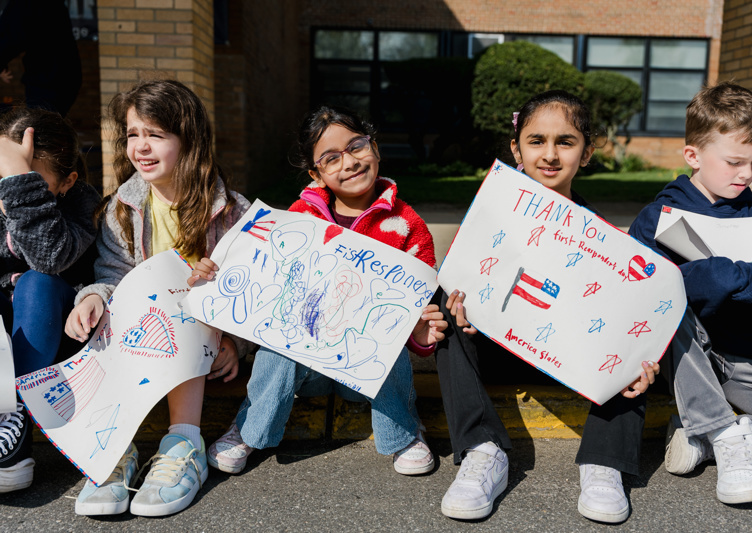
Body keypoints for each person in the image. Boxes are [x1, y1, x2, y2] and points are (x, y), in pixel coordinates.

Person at [436, 90, 659, 523]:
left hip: (571, 359)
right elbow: (463, 282)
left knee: (637, 328)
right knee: (443, 301)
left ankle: (604, 462)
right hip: (501, 348)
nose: (550, 154)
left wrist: (643, 353)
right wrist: (462, 306)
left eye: (566, 142)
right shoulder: (488, 216)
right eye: (537, 141)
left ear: (588, 151)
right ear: (516, 148)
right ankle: (483, 451)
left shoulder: (607, 242)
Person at [203, 105, 447, 478]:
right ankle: (249, 429)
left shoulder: (408, 225)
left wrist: (419, 335)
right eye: (331, 158)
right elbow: (267, 285)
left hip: (367, 371)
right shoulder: (299, 217)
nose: (348, 162)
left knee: (390, 331)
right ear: (316, 174)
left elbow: (419, 310)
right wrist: (219, 274)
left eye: (357, 146)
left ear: (375, 147)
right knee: (278, 342)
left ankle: (403, 431)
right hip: (308, 369)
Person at [63, 79, 251, 517]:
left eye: (156, 135)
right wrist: (92, 297)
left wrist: (235, 343)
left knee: (183, 296)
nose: (141, 147)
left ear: (189, 140)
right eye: (133, 134)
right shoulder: (121, 208)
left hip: (200, 339)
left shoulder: (231, 210)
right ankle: (116, 452)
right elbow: (114, 277)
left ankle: (183, 445)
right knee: (103, 315)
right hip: (140, 337)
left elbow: (250, 296)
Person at [628, 81, 752, 505]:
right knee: (669, 299)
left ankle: (705, 440)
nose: (747, 173)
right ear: (693, 155)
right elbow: (641, 303)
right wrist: (729, 277)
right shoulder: (658, 219)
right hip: (692, 360)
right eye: (735, 161)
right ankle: (720, 429)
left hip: (747, 364)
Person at [0, 107, 100, 493]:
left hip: (52, 341)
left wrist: (19, 185)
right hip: (4, 340)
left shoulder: (82, 206)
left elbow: (49, 257)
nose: (5, 186)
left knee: (37, 282)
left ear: (67, 181)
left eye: (32, 180)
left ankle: (13, 425)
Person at [0, 0, 82, 117]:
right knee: (48, 123)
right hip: (63, 75)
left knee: (40, 125)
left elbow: (8, 37)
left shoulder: (26, 4)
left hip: (49, 78)